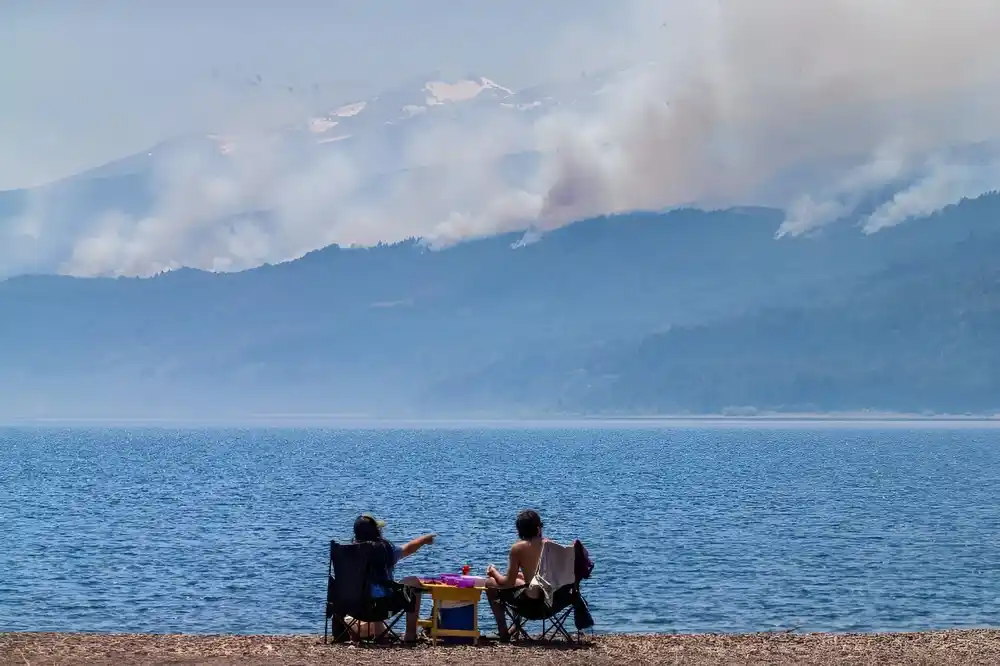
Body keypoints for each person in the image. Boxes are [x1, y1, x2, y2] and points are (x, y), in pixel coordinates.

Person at [350, 514, 435, 643]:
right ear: (376, 531)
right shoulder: (383, 549)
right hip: (382, 607)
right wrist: (423, 540)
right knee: (413, 583)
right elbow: (408, 549)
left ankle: (378, 631)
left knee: (374, 588)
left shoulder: (347, 551)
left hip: (352, 605)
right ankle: (410, 634)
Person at [485, 509, 549, 641]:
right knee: (520, 580)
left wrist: (494, 573)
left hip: (532, 604)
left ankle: (503, 632)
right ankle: (515, 627)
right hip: (553, 602)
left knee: (490, 583)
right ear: (538, 528)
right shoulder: (551, 545)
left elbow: (507, 582)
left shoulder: (518, 548)